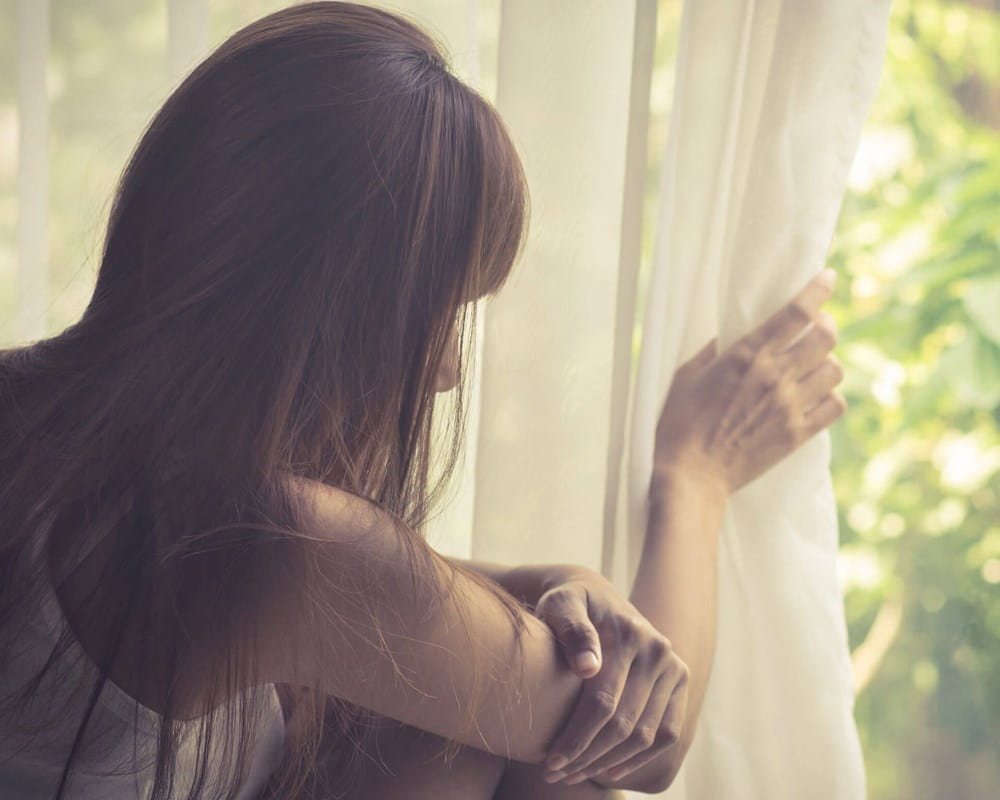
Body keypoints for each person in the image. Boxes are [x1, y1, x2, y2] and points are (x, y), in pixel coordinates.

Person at [0, 2, 846, 798]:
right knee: (503, 744)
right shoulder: (271, 543)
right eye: (441, 313)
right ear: (333, 307)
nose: (444, 370)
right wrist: (693, 479)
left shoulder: (35, 414)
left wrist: (557, 578)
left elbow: (408, 604)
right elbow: (646, 745)